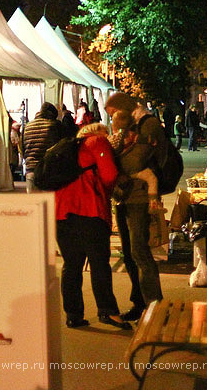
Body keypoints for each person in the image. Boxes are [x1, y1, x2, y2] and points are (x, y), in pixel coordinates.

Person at [55, 123, 130, 330]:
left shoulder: (70, 148)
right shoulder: (97, 142)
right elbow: (110, 175)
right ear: (100, 133)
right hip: (89, 210)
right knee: (99, 263)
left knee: (71, 265)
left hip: (61, 212)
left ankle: (73, 315)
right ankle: (108, 311)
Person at [104, 92, 165, 322]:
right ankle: (140, 302)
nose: (113, 119)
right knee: (130, 252)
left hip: (139, 198)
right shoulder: (130, 131)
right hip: (125, 197)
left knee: (139, 251)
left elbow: (141, 160)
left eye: (114, 114)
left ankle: (153, 305)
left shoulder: (147, 126)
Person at [109, 110, 167, 216]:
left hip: (120, 168)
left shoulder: (112, 138)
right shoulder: (130, 135)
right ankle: (153, 204)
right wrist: (151, 140)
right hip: (132, 169)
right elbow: (142, 140)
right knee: (152, 179)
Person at [22, 102, 63, 192]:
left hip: (31, 169)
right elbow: (61, 146)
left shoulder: (28, 126)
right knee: (49, 204)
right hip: (48, 170)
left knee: (32, 203)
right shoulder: (54, 125)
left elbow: (23, 148)